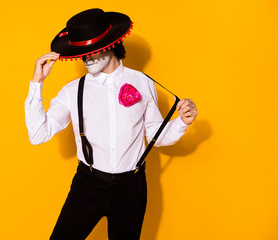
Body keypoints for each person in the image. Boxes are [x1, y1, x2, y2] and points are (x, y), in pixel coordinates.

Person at [24, 8, 197, 240]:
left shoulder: (142, 83)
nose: (87, 57)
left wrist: (182, 123)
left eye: (92, 51)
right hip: (88, 185)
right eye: (82, 53)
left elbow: (157, 135)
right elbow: (38, 134)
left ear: (110, 44)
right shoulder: (72, 91)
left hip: (131, 188)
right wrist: (37, 83)